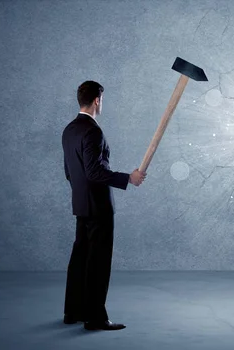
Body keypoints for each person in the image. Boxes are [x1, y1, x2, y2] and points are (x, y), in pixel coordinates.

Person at [61, 80, 146, 331]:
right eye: (102, 99)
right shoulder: (93, 131)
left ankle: (73, 312)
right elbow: (95, 172)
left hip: (81, 204)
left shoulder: (69, 130)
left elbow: (69, 171)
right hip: (98, 207)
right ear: (98, 100)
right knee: (97, 262)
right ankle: (95, 318)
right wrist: (128, 178)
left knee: (80, 259)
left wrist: (81, 194)